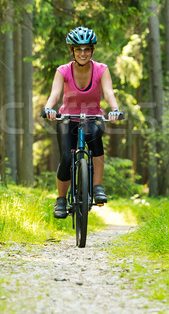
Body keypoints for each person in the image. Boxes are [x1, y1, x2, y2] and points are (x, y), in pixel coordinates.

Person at [43, 26, 121, 219]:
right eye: (78, 49)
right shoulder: (63, 71)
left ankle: (97, 186)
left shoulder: (101, 70)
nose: (83, 53)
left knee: (95, 138)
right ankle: (61, 199)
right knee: (67, 158)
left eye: (87, 49)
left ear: (92, 50)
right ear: (72, 51)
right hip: (67, 118)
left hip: (93, 117)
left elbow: (109, 92)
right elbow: (55, 93)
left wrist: (115, 110)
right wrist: (49, 109)